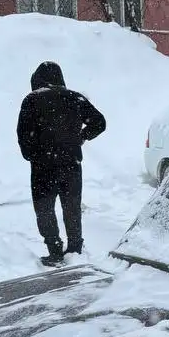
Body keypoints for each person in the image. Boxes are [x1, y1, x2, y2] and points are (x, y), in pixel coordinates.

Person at [16, 61, 106, 265]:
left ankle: (54, 249)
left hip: (43, 167)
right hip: (71, 164)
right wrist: (81, 137)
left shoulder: (32, 100)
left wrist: (31, 154)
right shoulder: (75, 98)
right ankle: (75, 248)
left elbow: (23, 134)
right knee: (71, 207)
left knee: (44, 208)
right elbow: (99, 122)